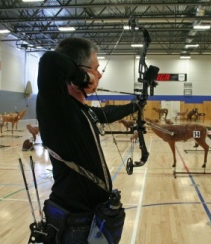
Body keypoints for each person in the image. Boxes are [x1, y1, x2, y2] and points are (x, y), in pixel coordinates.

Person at [36, 37, 142, 243]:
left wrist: (135, 105)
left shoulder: (79, 110)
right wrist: (83, 77)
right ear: (79, 72)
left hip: (91, 221)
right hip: (75, 224)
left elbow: (105, 114)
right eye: (95, 68)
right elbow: (49, 61)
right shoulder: (58, 108)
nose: (99, 74)